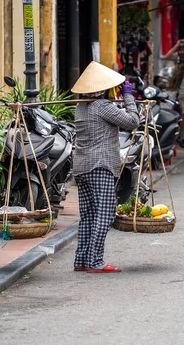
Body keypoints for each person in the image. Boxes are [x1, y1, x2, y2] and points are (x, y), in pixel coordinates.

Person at [71, 61, 140, 273]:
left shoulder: (80, 107)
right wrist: (128, 97)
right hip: (100, 165)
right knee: (106, 212)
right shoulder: (102, 106)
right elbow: (133, 121)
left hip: (82, 165)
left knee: (89, 214)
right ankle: (95, 261)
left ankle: (82, 260)